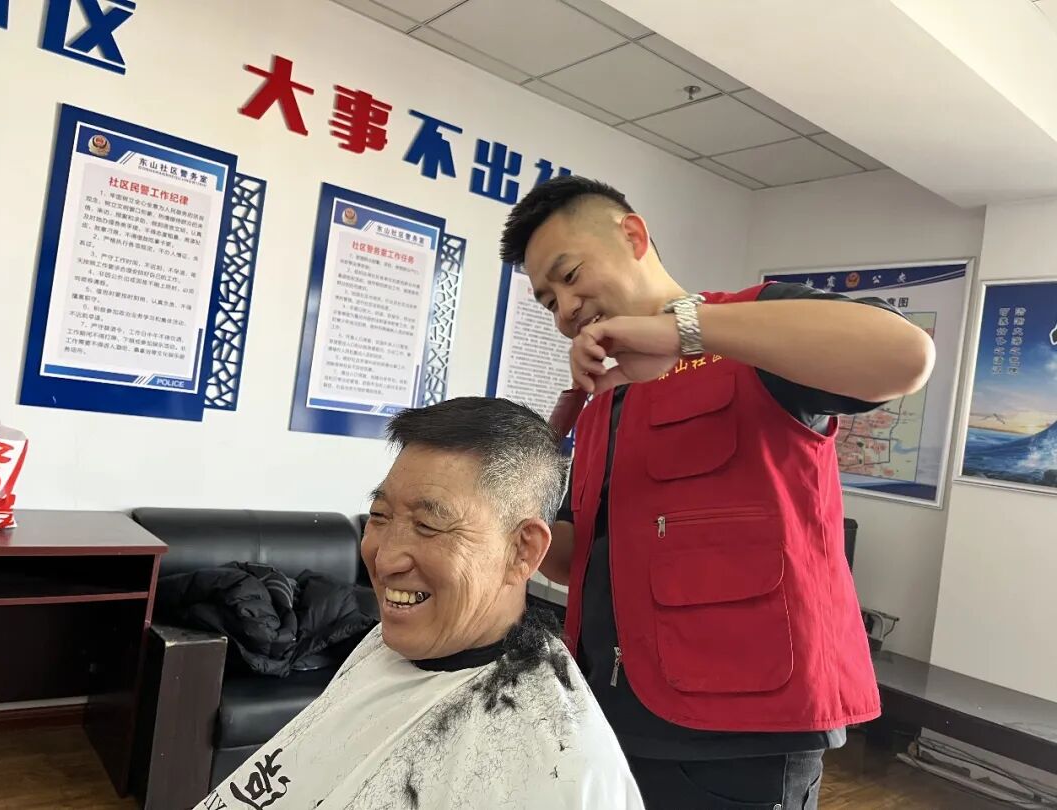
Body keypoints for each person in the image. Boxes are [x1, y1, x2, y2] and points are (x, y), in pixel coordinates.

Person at [500, 176, 936, 810]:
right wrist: (498, 518)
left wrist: (685, 331)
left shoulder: (756, 325)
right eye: (548, 301)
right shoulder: (601, 400)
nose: (565, 308)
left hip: (738, 734)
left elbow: (905, 356)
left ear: (633, 236)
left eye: (570, 275)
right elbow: (578, 557)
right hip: (611, 715)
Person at [194, 397, 645, 810]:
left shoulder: (561, 768)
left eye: (429, 525)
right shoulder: (385, 644)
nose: (384, 559)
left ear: (522, 551)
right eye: (380, 516)